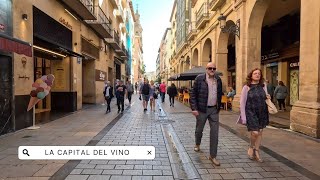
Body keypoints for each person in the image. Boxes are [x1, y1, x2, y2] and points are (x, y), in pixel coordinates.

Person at [190, 62, 223, 166]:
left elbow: (219, 93)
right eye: (210, 68)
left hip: (214, 109)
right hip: (201, 109)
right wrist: (194, 108)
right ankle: (197, 143)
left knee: (215, 132)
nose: (212, 70)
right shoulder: (199, 79)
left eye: (214, 68)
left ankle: (213, 156)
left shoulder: (218, 79)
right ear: (206, 69)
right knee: (199, 129)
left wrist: (219, 106)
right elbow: (193, 94)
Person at [239, 68, 270, 163]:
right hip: (251, 112)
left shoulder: (263, 86)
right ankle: (251, 146)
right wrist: (243, 117)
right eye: (255, 73)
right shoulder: (246, 87)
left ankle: (257, 151)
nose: (257, 75)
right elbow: (242, 102)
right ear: (251, 75)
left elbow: (266, 97)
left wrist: (268, 96)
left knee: (260, 132)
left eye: (259, 74)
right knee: (255, 132)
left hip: (262, 111)